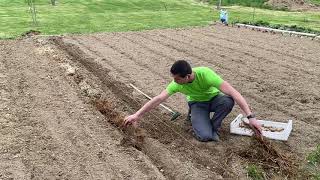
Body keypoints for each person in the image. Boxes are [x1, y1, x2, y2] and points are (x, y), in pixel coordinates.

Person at [124, 60, 262, 142]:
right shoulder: (176, 84)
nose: (175, 81)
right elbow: (158, 99)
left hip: (214, 99)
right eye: (174, 78)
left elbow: (234, 92)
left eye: (178, 79)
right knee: (204, 137)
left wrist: (250, 117)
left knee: (228, 100)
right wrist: (136, 115)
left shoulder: (205, 74)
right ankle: (200, 123)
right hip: (197, 104)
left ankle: (214, 127)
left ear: (188, 76)